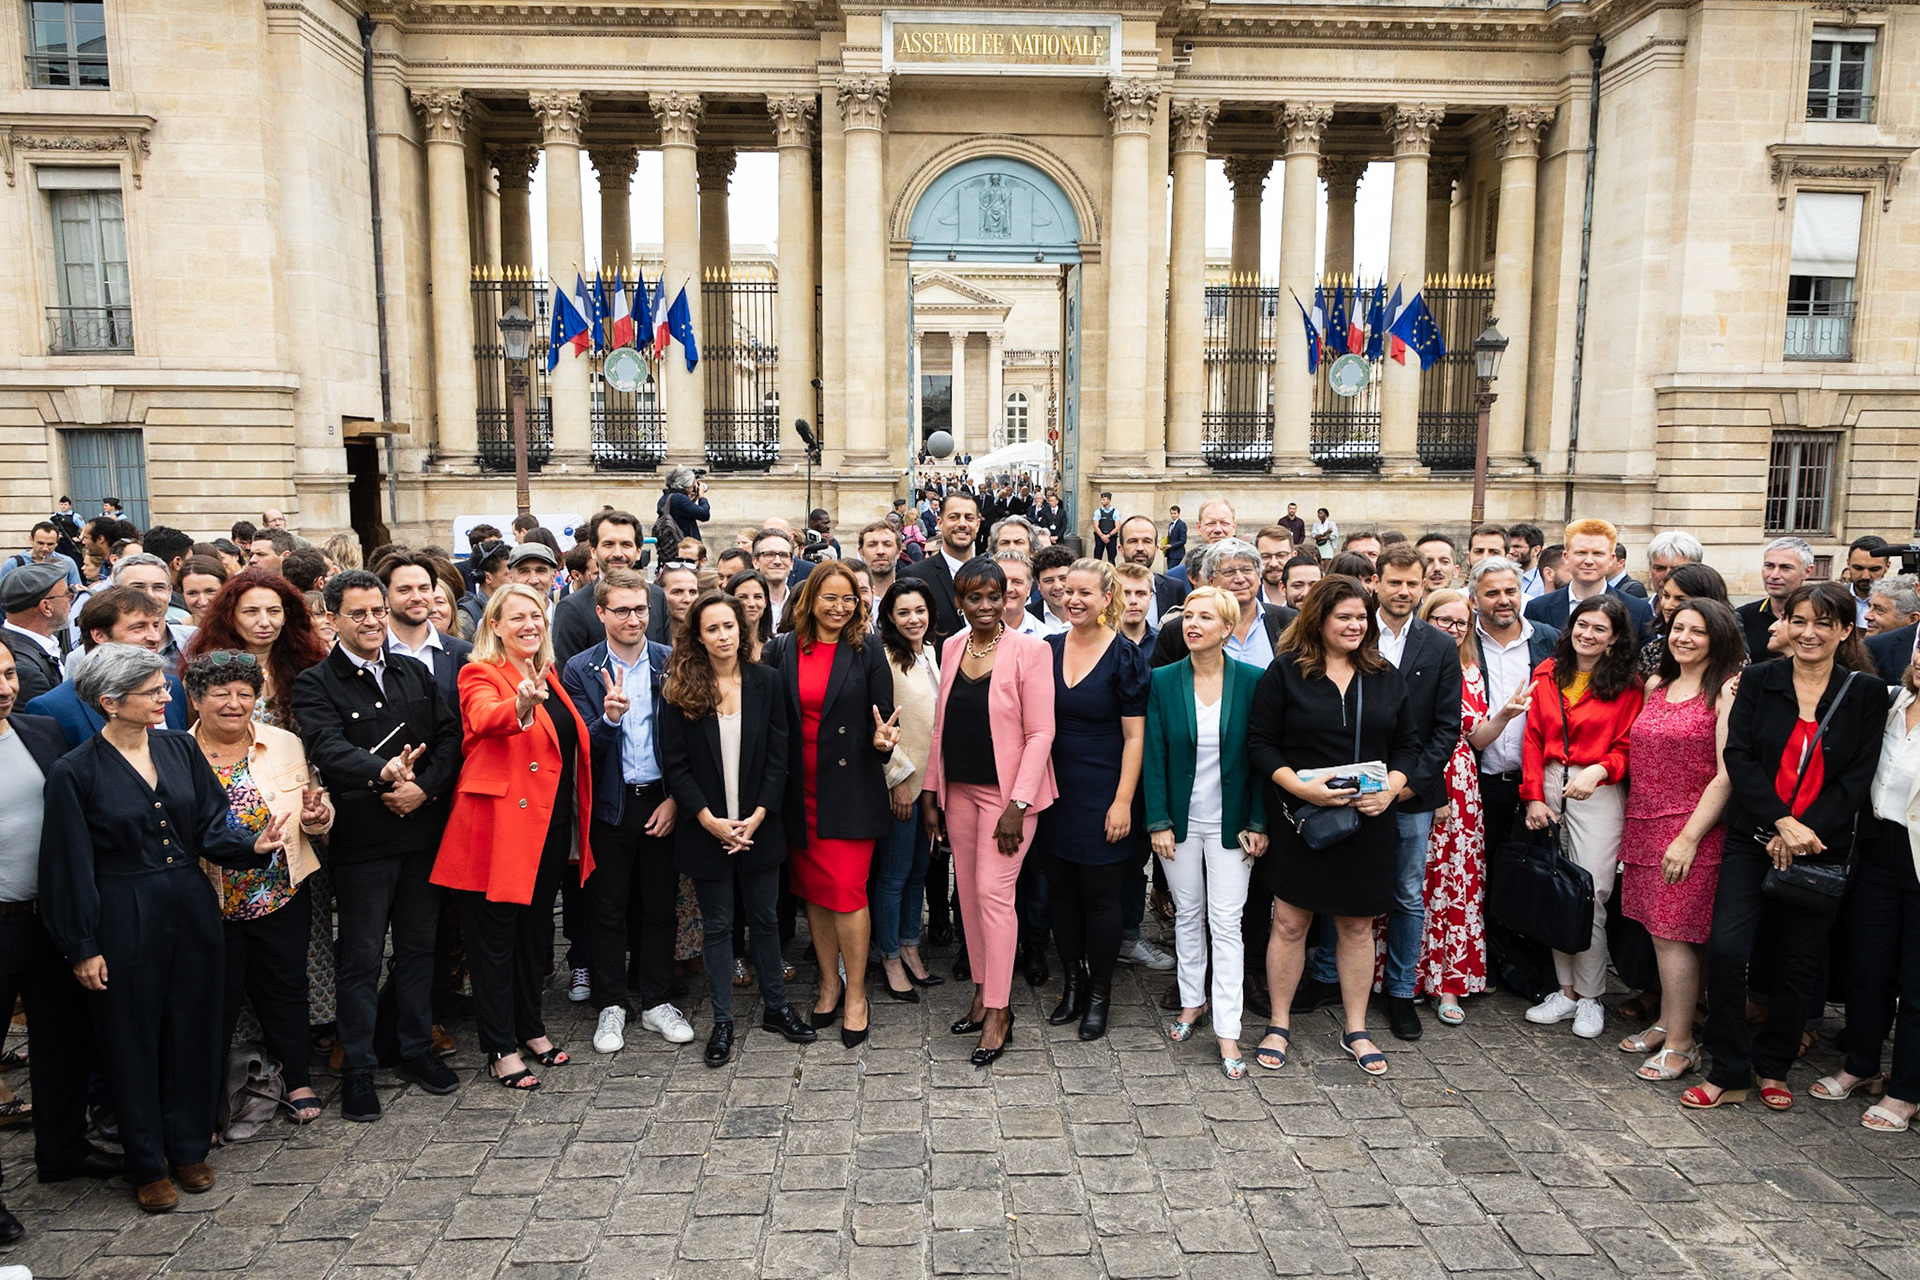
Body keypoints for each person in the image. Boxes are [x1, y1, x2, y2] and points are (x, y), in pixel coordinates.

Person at [41, 644, 287, 1212]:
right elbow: (67, 868)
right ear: (110, 701)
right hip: (121, 915)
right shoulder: (74, 772)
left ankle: (188, 1146)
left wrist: (252, 845)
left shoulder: (178, 746)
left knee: (195, 1028)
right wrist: (82, 945)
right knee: (131, 1040)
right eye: (153, 690)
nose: (166, 696)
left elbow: (208, 826)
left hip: (191, 907)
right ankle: (146, 1161)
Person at [1686, 582, 1886, 1111]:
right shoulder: (1756, 681)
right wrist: (1781, 822)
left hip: (1821, 848)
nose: (1809, 632)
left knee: (1799, 964)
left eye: (1823, 622)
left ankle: (1774, 1065)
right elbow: (1741, 758)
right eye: (1799, 620)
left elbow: (1857, 776)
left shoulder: (1865, 692)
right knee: (1728, 951)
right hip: (1752, 838)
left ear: (1845, 630)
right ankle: (1728, 1068)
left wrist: (1802, 833)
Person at [292, 569, 462, 1120]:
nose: (371, 622)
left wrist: (423, 787)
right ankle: (359, 1067)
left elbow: (449, 739)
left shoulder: (414, 670)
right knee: (362, 958)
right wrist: (382, 771)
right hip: (363, 841)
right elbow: (326, 745)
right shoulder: (316, 682)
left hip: (420, 832)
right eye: (358, 613)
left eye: (378, 612)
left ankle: (413, 1049)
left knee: (418, 949)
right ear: (334, 617)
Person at [1249, 576, 1419, 1077]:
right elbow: (1260, 744)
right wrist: (1301, 790)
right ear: (1318, 619)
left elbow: (1409, 744)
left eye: (1361, 617)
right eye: (1343, 616)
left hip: (1369, 821)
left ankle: (1357, 1027)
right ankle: (1279, 1023)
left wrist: (1390, 788)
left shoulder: (1384, 674)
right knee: (1289, 923)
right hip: (1303, 821)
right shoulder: (1285, 673)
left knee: (1356, 926)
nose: (1354, 625)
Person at [432, 584, 592, 1091]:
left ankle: (532, 1029)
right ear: (494, 625)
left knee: (534, 936)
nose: (530, 625)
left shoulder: (548, 672)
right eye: (517, 617)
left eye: (536, 616)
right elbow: (483, 718)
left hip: (547, 827)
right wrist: (519, 707)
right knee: (494, 941)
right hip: (498, 828)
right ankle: (499, 1046)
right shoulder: (480, 673)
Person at [1296, 547, 1461, 1040]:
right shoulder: (1355, 632)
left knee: (1407, 893)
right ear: (1375, 582)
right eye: (1394, 582)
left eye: (1414, 583)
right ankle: (1327, 976)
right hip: (1343, 789)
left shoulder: (1438, 645)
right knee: (1335, 884)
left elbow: (1443, 730)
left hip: (1408, 795)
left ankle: (1400, 990)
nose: (1404, 591)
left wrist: (1402, 787)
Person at [655, 592, 816, 1066]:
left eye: (730, 626)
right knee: (719, 926)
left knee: (766, 921)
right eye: (712, 629)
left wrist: (760, 814)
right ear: (697, 636)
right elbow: (676, 765)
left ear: (741, 631)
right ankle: (722, 1020)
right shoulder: (680, 687)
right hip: (706, 827)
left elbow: (779, 756)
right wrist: (708, 820)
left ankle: (776, 1008)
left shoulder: (767, 681)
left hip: (759, 825)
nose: (723, 636)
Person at [0, 648, 122, 1237]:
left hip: (51, 918)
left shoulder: (41, 730)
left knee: (63, 1041)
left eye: (6, 674)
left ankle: (63, 1148)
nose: (3, 687)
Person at [186, 650, 333, 1124]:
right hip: (210, 900)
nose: (234, 704)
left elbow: (317, 803)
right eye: (221, 694)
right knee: (214, 999)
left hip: (279, 890)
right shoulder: (174, 751)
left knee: (286, 987)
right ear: (196, 700)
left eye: (245, 694)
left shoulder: (285, 743)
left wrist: (320, 817)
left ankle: (298, 1078)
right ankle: (207, 1099)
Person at [921, 558, 1056, 1066]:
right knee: (969, 898)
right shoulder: (952, 645)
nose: (984, 606)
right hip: (958, 791)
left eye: (992, 597)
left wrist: (1017, 805)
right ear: (959, 602)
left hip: (1009, 800)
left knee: (994, 897)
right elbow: (940, 727)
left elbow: (1041, 732)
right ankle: (981, 991)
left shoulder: (1030, 651)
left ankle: (1000, 1010)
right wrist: (933, 795)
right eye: (973, 598)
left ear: (1006, 599)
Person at [764, 562, 898, 1048]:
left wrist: (884, 741)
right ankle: (828, 982)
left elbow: (883, 717)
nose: (840, 607)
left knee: (847, 890)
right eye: (830, 598)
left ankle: (857, 993)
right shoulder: (782, 649)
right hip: (798, 791)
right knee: (815, 892)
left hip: (851, 790)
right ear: (809, 600)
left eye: (849, 599)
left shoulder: (867, 649)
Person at [556, 569, 688, 1053]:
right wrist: (609, 720)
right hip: (608, 804)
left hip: (660, 800)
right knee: (606, 907)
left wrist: (676, 798)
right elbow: (579, 745)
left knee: (658, 906)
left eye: (641, 609)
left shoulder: (670, 662)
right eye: (622, 610)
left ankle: (655, 1000)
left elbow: (686, 741)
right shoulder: (580, 669)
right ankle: (611, 1003)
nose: (633, 619)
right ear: (601, 613)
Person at [1614, 598, 1743, 1081]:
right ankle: (1669, 1020)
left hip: (1693, 828)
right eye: (1678, 628)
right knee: (1658, 930)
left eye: (1698, 631)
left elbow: (1727, 774)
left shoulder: (1726, 690)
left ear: (1720, 638)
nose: (1684, 637)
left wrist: (1689, 838)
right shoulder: (1657, 684)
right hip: (1644, 821)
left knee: (1674, 936)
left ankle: (1683, 1043)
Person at [1144, 587, 1268, 1078]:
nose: (1192, 624)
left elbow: (1262, 760)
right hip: (1179, 822)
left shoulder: (1254, 682)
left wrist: (1258, 821)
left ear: (1227, 627)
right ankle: (1191, 1002)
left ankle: (1229, 1028)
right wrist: (1158, 822)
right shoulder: (1163, 680)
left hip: (1233, 825)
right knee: (1187, 915)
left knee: (1227, 923)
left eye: (1204, 617)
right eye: (1187, 615)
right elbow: (1154, 755)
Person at [1519, 595, 1646, 1040]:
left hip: (1599, 790)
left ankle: (1592, 996)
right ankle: (1566, 991)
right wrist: (1534, 796)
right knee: (1556, 888)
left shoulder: (1628, 685)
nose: (1587, 635)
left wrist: (1600, 769)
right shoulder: (1547, 673)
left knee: (1590, 891)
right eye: (1582, 625)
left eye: (1599, 629)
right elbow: (1532, 738)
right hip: (1552, 781)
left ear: (1614, 640)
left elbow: (1630, 745)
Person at [1037, 560, 1148, 1042]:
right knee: (1060, 893)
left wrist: (1123, 801)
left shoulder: (1125, 655)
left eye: (1084, 592)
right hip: (1054, 790)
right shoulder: (1047, 649)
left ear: (1108, 599)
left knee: (1101, 900)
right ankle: (1073, 983)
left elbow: (1135, 737)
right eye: (1066, 591)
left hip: (1106, 790)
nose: (1073, 599)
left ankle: (1100, 994)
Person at [1822, 648, 1920, 1131]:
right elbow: (1826, 685)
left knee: (1917, 980)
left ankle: (1906, 1089)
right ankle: (1861, 1064)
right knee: (1868, 963)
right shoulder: (1891, 700)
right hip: (1879, 846)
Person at [1413, 590, 1498, 1025]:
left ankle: (1449, 981)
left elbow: (1478, 735)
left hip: (1462, 782)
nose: (1452, 629)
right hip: (1418, 774)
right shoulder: (1409, 660)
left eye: (1460, 622)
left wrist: (1505, 716)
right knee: (1415, 881)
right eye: (1443, 620)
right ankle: (1407, 976)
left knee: (1456, 882)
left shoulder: (1472, 669)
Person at [873, 579, 944, 999]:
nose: (913, 619)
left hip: (932, 786)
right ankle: (889, 955)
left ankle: (909, 944)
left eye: (920, 610)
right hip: (902, 785)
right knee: (894, 876)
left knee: (920, 871)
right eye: (903, 612)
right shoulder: (883, 659)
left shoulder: (932, 654)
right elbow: (879, 723)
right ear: (890, 618)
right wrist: (897, 780)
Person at [26, 587, 189, 745]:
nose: (154, 637)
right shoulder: (53, 708)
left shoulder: (171, 688)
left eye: (155, 625)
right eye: (138, 628)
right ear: (100, 636)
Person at [186, 569, 330, 732]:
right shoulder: (209, 668)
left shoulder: (310, 662)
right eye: (251, 612)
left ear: (286, 616)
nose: (264, 622)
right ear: (230, 617)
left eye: (273, 611)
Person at [1150, 540, 1297, 669]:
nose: (1239, 579)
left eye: (1247, 570)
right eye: (1229, 572)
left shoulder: (1289, 621)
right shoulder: (1178, 631)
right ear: (1210, 580)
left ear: (1259, 576)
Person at [1523, 518, 1654, 644]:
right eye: (1581, 553)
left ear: (1611, 559)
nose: (1589, 561)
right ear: (1566, 557)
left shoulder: (1637, 611)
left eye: (1598, 554)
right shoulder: (1538, 608)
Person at [379, 551, 474, 710]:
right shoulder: (370, 653)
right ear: (385, 598)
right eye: (404, 590)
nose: (417, 597)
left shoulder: (464, 655)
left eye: (424, 588)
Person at [902, 491, 984, 643]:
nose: (962, 523)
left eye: (969, 518)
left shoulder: (992, 575)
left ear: (977, 525)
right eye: (954, 517)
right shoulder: (914, 577)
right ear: (940, 523)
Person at [1638, 562, 1730, 675]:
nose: (1667, 606)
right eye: (1666, 596)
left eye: (1680, 599)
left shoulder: (1730, 654)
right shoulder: (1652, 652)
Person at [0, 563, 72, 706]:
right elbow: (54, 721)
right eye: (66, 594)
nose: (71, 599)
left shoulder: (47, 645)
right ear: (46, 607)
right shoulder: (22, 668)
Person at [1734, 537, 1813, 662]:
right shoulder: (1742, 617)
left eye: (1786, 567)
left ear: (1807, 571)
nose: (1774, 575)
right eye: (1769, 566)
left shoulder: (1818, 617)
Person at [1118, 516, 1188, 620]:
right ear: (1121, 549)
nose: (1140, 548)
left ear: (1156, 548)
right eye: (1132, 541)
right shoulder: (1106, 587)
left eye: (1147, 541)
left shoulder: (1174, 588)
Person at [1166, 500, 1240, 591]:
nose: (1218, 529)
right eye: (1211, 523)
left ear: (1233, 527)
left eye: (1224, 523)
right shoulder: (1176, 576)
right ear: (1198, 527)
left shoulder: (1250, 575)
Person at [1, 522, 83, 591]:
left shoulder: (67, 563)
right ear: (31, 540)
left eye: (50, 544)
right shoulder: (13, 564)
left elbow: (76, 593)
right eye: (40, 543)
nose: (45, 548)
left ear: (57, 543)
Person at [1843, 534, 1892, 629]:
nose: (1865, 576)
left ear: (1887, 566)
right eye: (1858, 568)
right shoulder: (1833, 598)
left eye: (1874, 569)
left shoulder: (1897, 603)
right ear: (1848, 564)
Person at [726, 568, 774, 655]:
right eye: (743, 597)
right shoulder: (725, 647)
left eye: (758, 597)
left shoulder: (776, 648)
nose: (751, 604)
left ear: (766, 601)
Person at [1113, 561, 1159, 653]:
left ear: (1150, 597)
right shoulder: (1101, 644)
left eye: (1140, 594)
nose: (1133, 601)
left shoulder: (1162, 643)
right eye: (1125, 594)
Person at [1645, 530, 1705, 595]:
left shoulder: (1712, 604)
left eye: (1677, 570)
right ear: (1650, 569)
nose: (1667, 576)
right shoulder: (1638, 605)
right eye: (1660, 568)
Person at [1254, 526, 1297, 610]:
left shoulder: (1306, 600)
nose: (1273, 564)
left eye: (1281, 555)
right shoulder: (1247, 601)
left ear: (1293, 556)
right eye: (1265, 556)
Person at [857, 521, 902, 603]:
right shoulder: (853, 601)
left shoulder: (909, 599)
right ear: (861, 553)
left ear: (898, 552)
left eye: (887, 544)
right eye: (872, 545)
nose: (880, 551)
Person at [180, 555, 228, 625]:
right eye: (192, 593)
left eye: (210, 591)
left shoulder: (242, 630)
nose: (203, 602)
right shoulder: (173, 632)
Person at [1508, 524, 1546, 597]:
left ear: (1535, 550)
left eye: (1517, 547)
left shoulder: (1543, 581)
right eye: (1509, 546)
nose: (1511, 551)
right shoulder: (1502, 576)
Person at [1163, 505, 1188, 570]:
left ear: (1178, 514)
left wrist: (1171, 545)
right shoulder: (1171, 524)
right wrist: (1164, 546)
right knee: (1169, 571)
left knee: (1171, 572)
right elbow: (1170, 537)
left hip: (1177, 553)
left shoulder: (1181, 524)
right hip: (1170, 553)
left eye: (1175, 513)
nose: (1173, 515)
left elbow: (1183, 540)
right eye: (1171, 513)